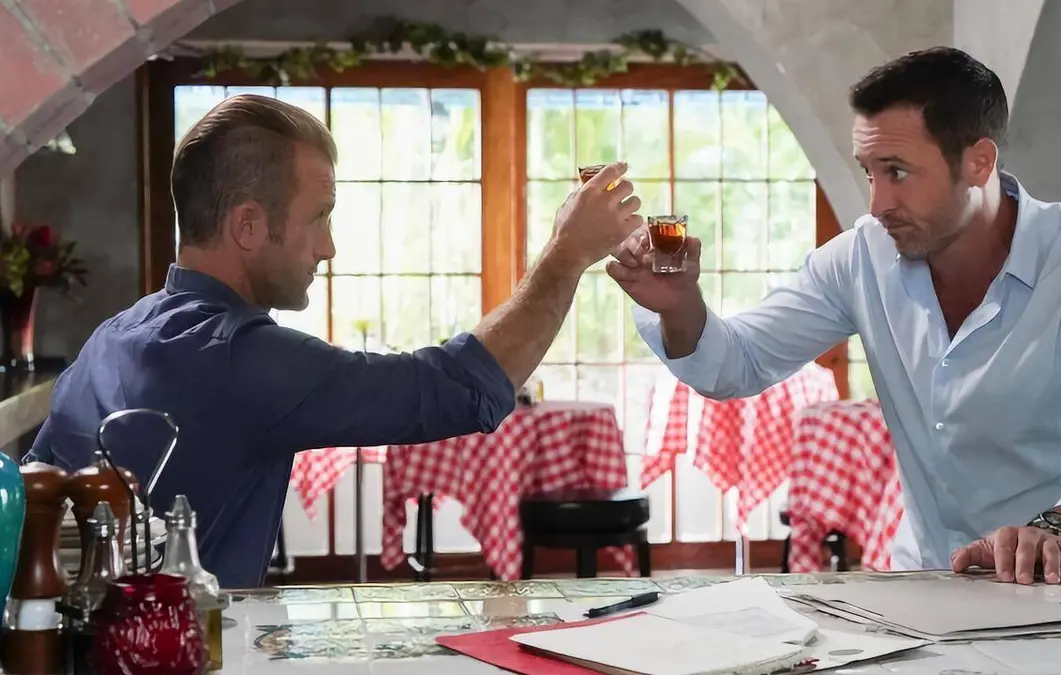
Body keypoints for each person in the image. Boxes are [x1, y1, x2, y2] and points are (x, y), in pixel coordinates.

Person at [608, 47, 1061, 585]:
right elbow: (737, 362)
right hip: (925, 585)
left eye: (898, 172)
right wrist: (680, 305)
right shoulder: (861, 257)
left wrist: (1058, 530)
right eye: (869, 172)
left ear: (978, 163)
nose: (877, 203)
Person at [27, 94, 643, 588]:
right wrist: (567, 255)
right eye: (319, 215)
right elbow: (460, 388)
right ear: (248, 224)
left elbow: (34, 502)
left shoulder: (110, 338)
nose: (329, 246)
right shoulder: (242, 358)